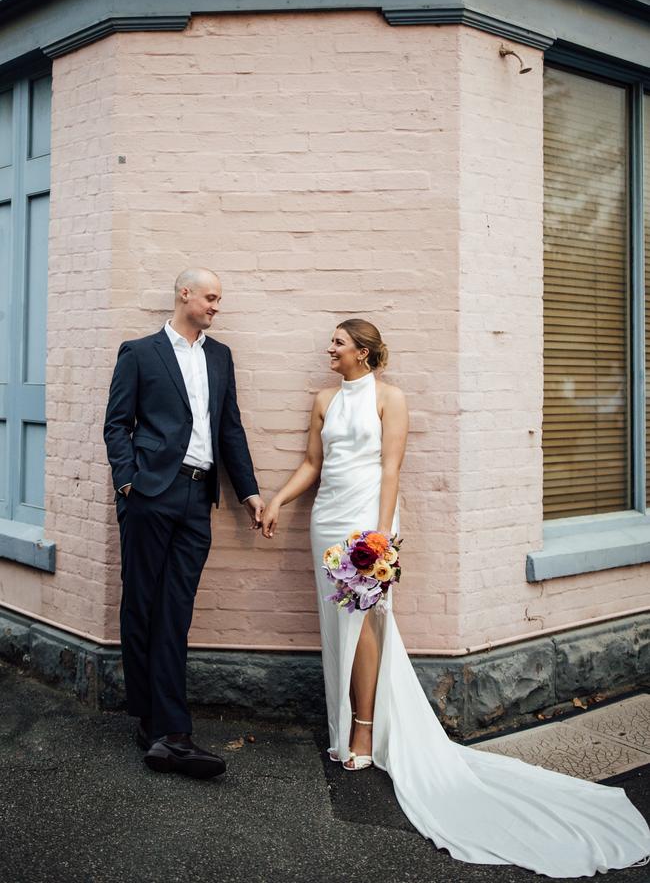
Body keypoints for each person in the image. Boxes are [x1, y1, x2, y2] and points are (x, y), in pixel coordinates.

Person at [262, 318, 650, 876]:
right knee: (335, 625)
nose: (329, 348)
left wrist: (378, 533)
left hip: (366, 524)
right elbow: (313, 465)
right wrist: (278, 501)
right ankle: (343, 724)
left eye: (339, 342)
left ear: (364, 353)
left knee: (367, 623)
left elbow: (391, 468)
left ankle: (364, 731)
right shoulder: (324, 399)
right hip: (326, 521)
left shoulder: (390, 399)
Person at [104, 268, 264, 779]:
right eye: (211, 297)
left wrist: (249, 492)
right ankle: (163, 728)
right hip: (151, 493)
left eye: (219, 299)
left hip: (198, 498)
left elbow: (230, 427)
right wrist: (128, 482)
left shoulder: (220, 357)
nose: (217, 306)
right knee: (142, 602)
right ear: (184, 294)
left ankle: (163, 729)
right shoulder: (140, 352)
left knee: (176, 608)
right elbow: (117, 424)